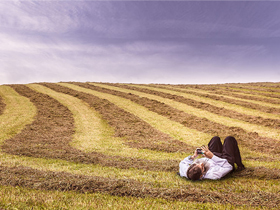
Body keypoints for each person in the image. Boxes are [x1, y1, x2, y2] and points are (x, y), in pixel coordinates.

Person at [179, 136, 245, 181]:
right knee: (229, 139)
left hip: (211, 157)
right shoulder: (213, 174)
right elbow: (228, 166)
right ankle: (240, 165)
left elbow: (182, 163)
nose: (201, 163)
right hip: (224, 162)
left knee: (215, 139)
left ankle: (215, 152)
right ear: (201, 176)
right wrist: (212, 157)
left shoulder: (186, 172)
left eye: (196, 164)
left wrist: (193, 156)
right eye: (202, 166)